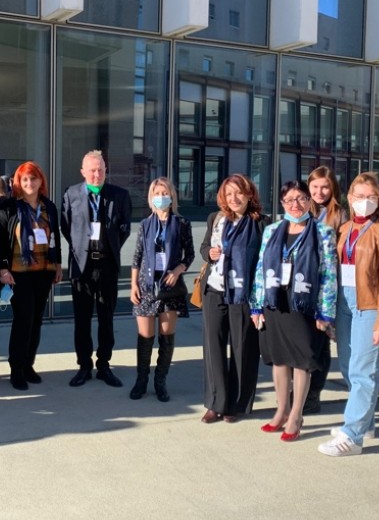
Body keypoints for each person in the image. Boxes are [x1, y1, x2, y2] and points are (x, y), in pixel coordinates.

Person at [317, 173, 379, 457]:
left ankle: (352, 436)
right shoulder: (344, 228)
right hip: (344, 303)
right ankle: (366, 421)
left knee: (364, 371)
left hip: (369, 305)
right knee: (348, 368)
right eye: (359, 197)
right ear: (349, 199)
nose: (364, 202)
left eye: (370, 197)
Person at [250, 180, 337, 442]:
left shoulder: (322, 232)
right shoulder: (272, 230)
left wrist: (325, 313)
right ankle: (281, 409)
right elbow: (260, 268)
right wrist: (256, 304)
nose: (295, 205)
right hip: (276, 302)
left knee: (301, 362)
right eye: (289, 200)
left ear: (309, 201)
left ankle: (296, 415)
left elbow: (329, 274)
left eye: (300, 199)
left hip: (305, 304)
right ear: (282, 203)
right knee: (279, 360)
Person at [60, 150, 132, 388]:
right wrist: (82, 249)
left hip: (107, 266)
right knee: (82, 320)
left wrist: (109, 249)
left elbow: (124, 228)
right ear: (83, 172)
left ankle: (104, 365)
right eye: (92, 170)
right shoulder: (71, 194)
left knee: (106, 318)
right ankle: (83, 365)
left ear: (105, 170)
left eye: (100, 169)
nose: (97, 174)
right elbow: (66, 227)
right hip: (82, 266)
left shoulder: (119, 195)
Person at [198, 174, 267, 423]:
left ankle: (236, 404)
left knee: (243, 348)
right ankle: (215, 403)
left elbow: (263, 262)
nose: (234, 198)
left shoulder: (261, 223)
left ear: (249, 194)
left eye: (239, 193)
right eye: (229, 194)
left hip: (243, 294)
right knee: (214, 347)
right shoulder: (216, 219)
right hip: (215, 290)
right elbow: (204, 248)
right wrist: (210, 253)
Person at [0, 161, 62, 390]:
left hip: (43, 271)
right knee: (24, 319)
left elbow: (56, 237)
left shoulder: (49, 207)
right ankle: (16, 368)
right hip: (18, 273)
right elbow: (0, 242)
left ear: (41, 181)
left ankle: (28, 364)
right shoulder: (8, 208)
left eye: (33, 178)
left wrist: (58, 264)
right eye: (25, 179)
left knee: (37, 320)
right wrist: (3, 269)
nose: (30, 183)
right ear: (18, 183)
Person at [129, 177, 194, 402]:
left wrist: (178, 270)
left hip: (170, 287)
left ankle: (160, 381)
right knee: (145, 336)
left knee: (166, 336)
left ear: (172, 196)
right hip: (146, 286)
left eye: (164, 192)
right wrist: (133, 285)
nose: (160, 197)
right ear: (151, 197)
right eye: (156, 193)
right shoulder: (146, 224)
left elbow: (190, 254)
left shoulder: (182, 223)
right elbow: (136, 257)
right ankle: (141, 380)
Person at [304, 165, 348, 415]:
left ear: (333, 189)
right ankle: (299, 388)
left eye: (325, 187)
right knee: (301, 340)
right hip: (301, 286)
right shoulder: (301, 210)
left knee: (320, 343)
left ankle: (313, 393)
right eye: (315, 187)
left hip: (325, 288)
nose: (320, 192)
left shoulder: (339, 216)